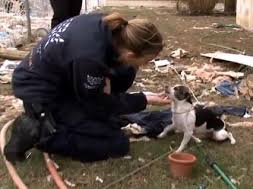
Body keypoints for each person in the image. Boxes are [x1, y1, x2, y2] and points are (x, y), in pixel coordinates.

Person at [4, 12, 169, 163]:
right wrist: (143, 98)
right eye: (146, 61)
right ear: (130, 54)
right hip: (41, 92)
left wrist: (103, 85)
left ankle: (83, 116)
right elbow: (96, 105)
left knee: (127, 71)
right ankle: (40, 133)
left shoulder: (109, 25)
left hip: (64, 78)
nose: (146, 65)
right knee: (117, 144)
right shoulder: (91, 59)